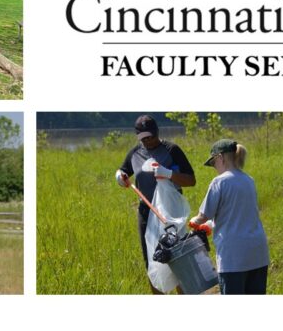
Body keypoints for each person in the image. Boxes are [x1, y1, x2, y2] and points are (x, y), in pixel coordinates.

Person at [115, 114, 196, 293]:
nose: (149, 141)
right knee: (153, 260)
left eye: (152, 136)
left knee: (178, 259)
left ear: (158, 132)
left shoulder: (172, 150)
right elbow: (124, 171)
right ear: (138, 137)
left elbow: (191, 180)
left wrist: (168, 173)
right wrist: (120, 177)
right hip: (146, 214)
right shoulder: (135, 153)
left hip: (170, 214)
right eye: (144, 138)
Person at [189, 139, 270, 295]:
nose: (214, 168)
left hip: (233, 257)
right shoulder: (248, 180)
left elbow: (203, 216)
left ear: (220, 157)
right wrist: (211, 225)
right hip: (258, 253)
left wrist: (192, 222)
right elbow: (236, 212)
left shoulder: (219, 182)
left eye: (213, 163)